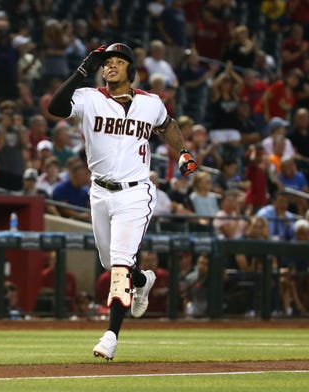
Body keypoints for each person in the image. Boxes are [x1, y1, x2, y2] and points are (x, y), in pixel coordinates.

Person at [48, 42, 197, 360]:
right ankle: (143, 280)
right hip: (99, 193)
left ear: (132, 69)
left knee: (118, 264)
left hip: (135, 192)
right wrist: (81, 71)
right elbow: (55, 108)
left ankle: (111, 335)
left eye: (118, 61)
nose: (110, 65)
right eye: (106, 62)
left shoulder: (150, 102)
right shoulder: (89, 98)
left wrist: (183, 151)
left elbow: (167, 126)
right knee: (114, 263)